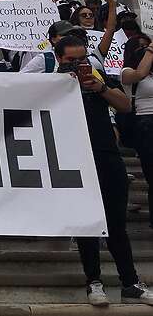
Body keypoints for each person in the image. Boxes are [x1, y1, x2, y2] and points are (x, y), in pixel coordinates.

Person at [53, 35, 153, 306]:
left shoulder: (97, 78)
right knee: (87, 223)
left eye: (82, 58)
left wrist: (98, 87)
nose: (78, 64)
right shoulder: (49, 83)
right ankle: (93, 282)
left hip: (106, 156)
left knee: (116, 224)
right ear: (58, 58)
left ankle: (130, 282)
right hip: (73, 159)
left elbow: (124, 104)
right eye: (71, 60)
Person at [120, 35, 153, 228]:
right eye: (141, 47)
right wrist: (150, 50)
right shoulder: (126, 72)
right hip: (145, 123)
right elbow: (140, 74)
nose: (145, 50)